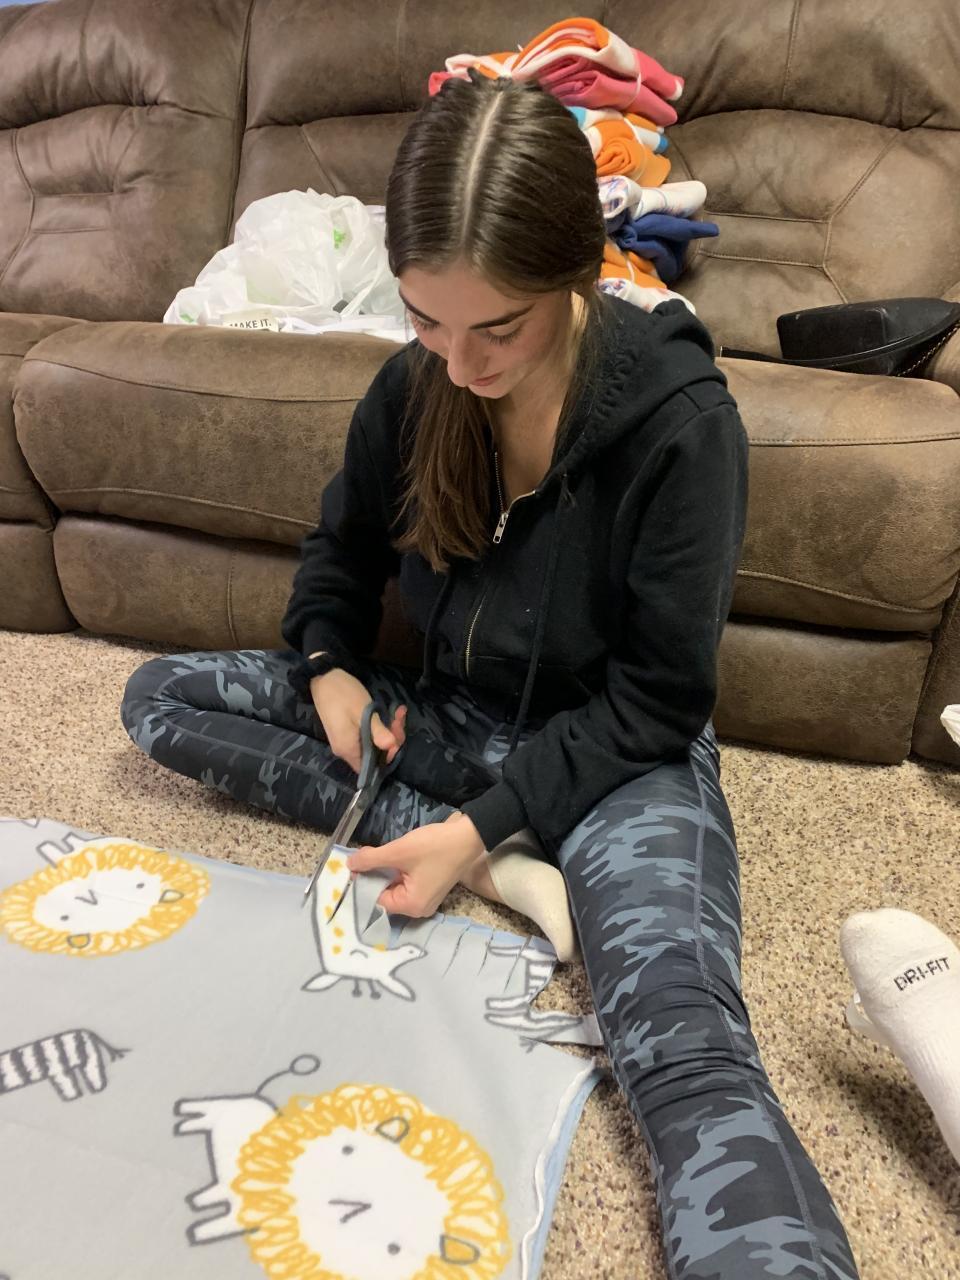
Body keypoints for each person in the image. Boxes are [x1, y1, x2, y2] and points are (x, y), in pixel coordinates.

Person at [121, 71, 860, 1280]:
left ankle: (466, 840)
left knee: (680, 1039)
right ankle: (498, 866)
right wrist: (329, 668)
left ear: (575, 277)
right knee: (157, 696)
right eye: (425, 318)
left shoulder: (684, 425)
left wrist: (481, 819)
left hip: (619, 761)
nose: (459, 364)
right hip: (446, 722)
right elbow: (337, 555)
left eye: (497, 329)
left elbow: (658, 700)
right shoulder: (416, 384)